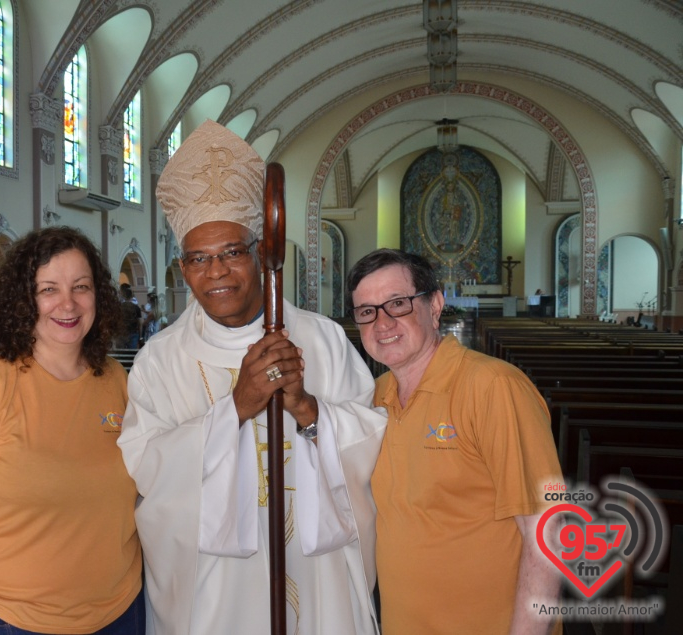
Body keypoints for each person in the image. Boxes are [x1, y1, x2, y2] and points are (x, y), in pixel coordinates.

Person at [118, 119, 387, 634]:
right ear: (182, 268)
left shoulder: (323, 339)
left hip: (316, 566)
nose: (215, 271)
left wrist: (310, 412)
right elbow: (147, 468)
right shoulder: (161, 359)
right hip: (213, 582)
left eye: (231, 252)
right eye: (198, 258)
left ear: (261, 255)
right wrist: (236, 407)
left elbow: (370, 441)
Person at [0, 227, 143, 635]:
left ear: (98, 294)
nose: (67, 303)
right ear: (23, 299)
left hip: (121, 610)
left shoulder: (116, 379)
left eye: (81, 287)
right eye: (48, 289)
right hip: (15, 619)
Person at [346, 248, 563, 634]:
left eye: (397, 304)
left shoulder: (493, 387)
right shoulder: (373, 398)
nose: (382, 323)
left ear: (435, 305)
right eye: (367, 311)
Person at [119, 284, 142, 349]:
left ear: (123, 296)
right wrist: (140, 336)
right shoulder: (136, 307)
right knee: (132, 353)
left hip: (122, 332)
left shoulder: (119, 307)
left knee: (121, 354)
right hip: (133, 332)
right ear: (131, 296)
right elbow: (139, 323)